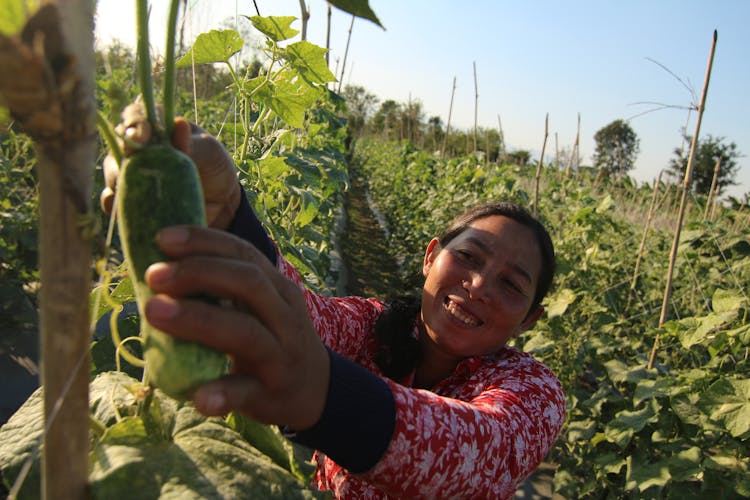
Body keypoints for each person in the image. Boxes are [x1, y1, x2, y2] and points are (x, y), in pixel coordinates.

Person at [101, 111, 566, 499]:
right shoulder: (373, 324)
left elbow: (478, 451)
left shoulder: (534, 392)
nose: (480, 284)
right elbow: (303, 316)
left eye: (511, 285)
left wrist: (326, 394)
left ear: (529, 320)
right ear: (430, 258)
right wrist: (228, 214)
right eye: (467, 256)